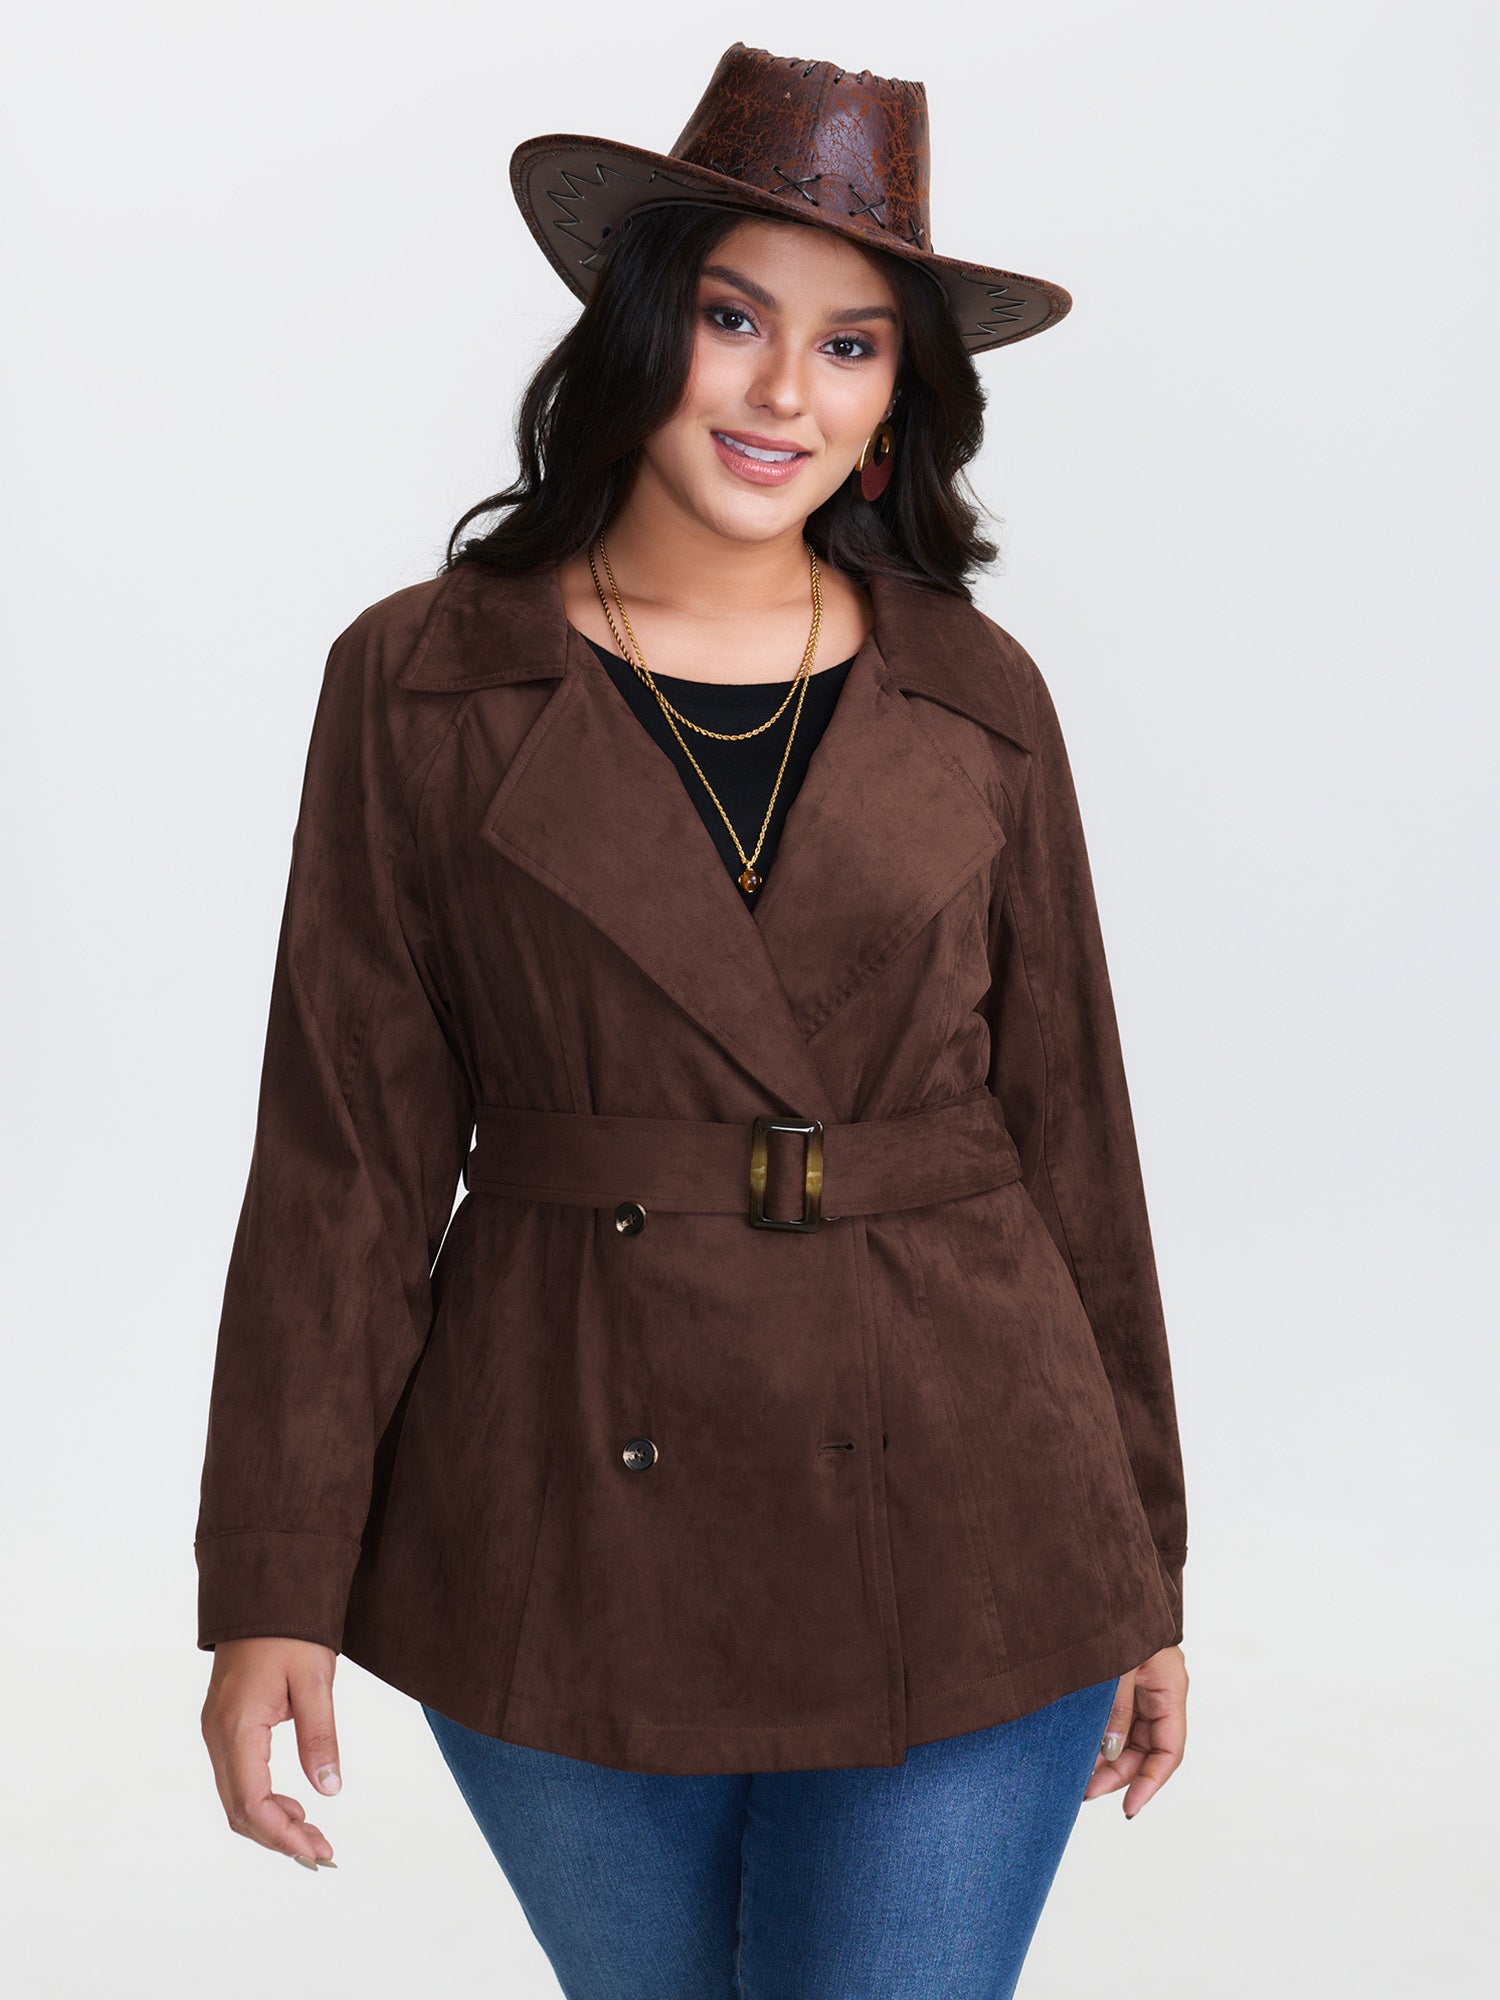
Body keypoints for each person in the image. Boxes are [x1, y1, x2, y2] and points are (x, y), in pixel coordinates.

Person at [196, 42, 1189, 1999]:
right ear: (638, 331)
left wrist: (1147, 1564)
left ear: (896, 406)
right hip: (560, 1502)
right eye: (736, 320)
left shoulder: (979, 693)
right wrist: (271, 1582)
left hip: (978, 1502)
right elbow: (345, 1161)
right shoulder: (418, 684)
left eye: (849, 346)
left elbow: (1074, 1137)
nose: (782, 391)